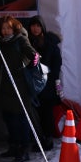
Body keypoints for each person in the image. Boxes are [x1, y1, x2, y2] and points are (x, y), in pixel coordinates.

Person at [0, 15, 39, 162]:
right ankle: (14, 146)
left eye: (8, 28)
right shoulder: (1, 42)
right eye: (3, 28)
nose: (5, 31)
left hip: (19, 86)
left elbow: (34, 56)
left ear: (14, 28)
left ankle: (24, 149)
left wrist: (24, 69)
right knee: (9, 119)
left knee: (21, 119)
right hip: (5, 86)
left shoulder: (20, 39)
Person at [26, 15, 61, 150]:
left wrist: (50, 80)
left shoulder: (50, 44)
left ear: (42, 27)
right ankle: (38, 140)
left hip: (47, 84)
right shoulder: (28, 42)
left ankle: (48, 139)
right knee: (36, 114)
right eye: (33, 25)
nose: (35, 28)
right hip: (32, 85)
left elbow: (56, 65)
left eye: (38, 26)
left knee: (47, 113)